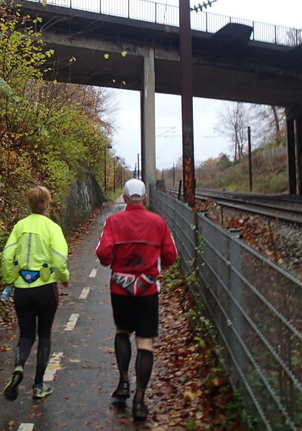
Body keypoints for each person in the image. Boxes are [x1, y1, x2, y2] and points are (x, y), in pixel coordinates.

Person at [95, 178, 178, 422]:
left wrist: (111, 262)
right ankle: (140, 399)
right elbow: (171, 255)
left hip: (120, 290)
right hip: (147, 290)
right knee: (145, 342)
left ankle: (123, 382)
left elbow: (102, 253)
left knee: (122, 331)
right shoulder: (158, 222)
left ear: (123, 197)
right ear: (143, 198)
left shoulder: (113, 221)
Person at [1, 186, 70, 401]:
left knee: (26, 334)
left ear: (29, 204)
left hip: (22, 290)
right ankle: (39, 385)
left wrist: (10, 279)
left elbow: (6, 256)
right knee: (45, 335)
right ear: (48, 204)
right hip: (45, 289)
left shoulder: (19, 226)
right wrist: (64, 276)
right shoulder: (52, 228)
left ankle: (19, 367)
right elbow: (59, 259)